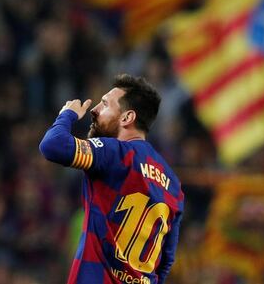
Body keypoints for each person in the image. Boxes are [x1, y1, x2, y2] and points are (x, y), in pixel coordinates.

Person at [39, 74, 183, 284]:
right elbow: (166, 261)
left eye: (105, 104)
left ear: (127, 118)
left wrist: (67, 114)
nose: (94, 109)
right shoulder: (174, 185)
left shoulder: (115, 153)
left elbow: (52, 145)